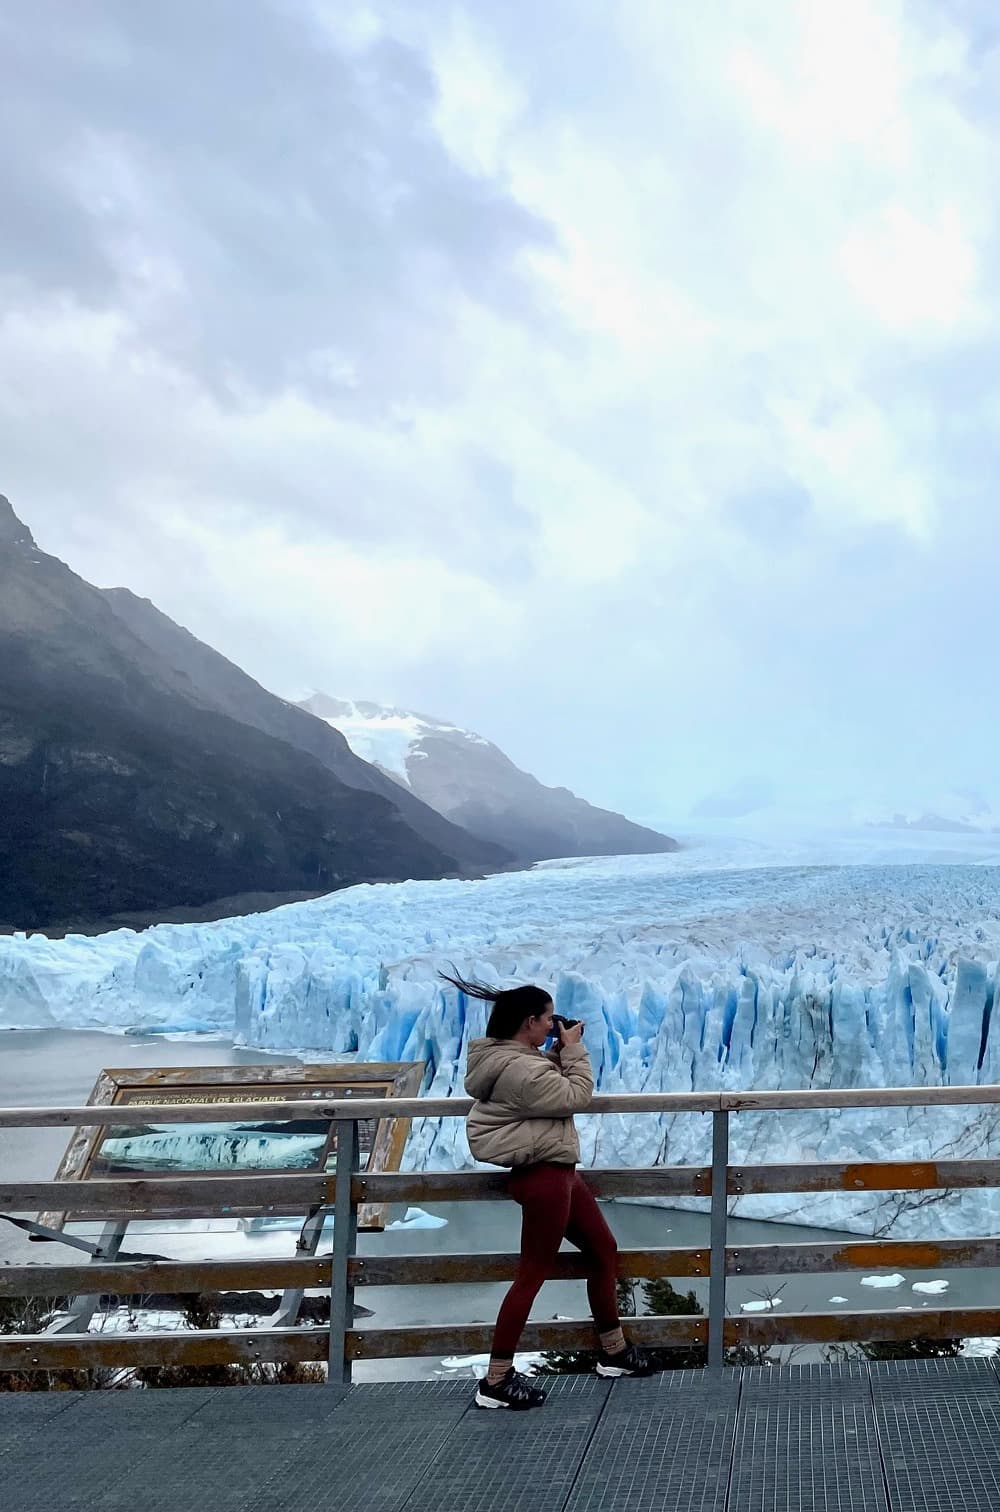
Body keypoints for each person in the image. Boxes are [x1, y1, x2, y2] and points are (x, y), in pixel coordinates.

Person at [442, 970, 657, 1411]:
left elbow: (543, 1092)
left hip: (555, 1172)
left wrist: (558, 1053)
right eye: (546, 1019)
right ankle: (496, 1380)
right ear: (529, 1022)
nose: (551, 1025)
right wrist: (573, 1051)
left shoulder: (515, 1061)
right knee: (532, 1275)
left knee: (602, 1250)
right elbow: (574, 1096)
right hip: (545, 1178)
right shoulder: (520, 1067)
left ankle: (614, 1352)